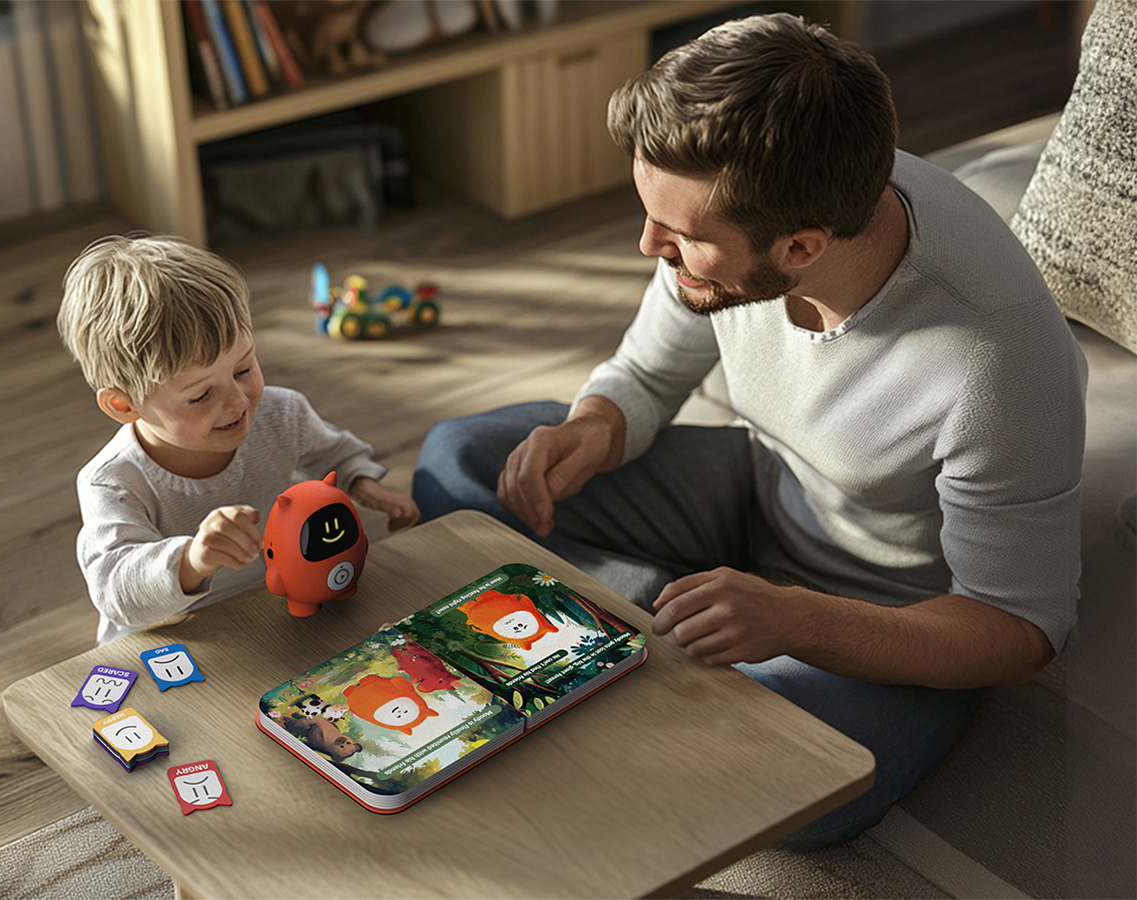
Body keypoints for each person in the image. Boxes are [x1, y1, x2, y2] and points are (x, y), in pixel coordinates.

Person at [411, 13, 1086, 847]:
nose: (645, 244)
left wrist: (797, 621)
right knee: (457, 465)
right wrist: (596, 423)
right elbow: (649, 373)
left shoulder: (996, 360)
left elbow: (1018, 632)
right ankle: (662, 633)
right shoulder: (769, 188)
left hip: (886, 617)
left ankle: (638, 635)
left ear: (800, 247)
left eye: (680, 240)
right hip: (760, 489)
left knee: (770, 777)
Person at [58, 234, 419, 646]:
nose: (236, 401)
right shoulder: (113, 481)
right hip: (176, 640)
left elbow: (332, 452)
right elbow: (117, 593)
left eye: (244, 368)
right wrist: (193, 560)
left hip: (273, 606)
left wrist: (363, 484)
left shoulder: (282, 413)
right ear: (124, 406)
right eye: (199, 396)